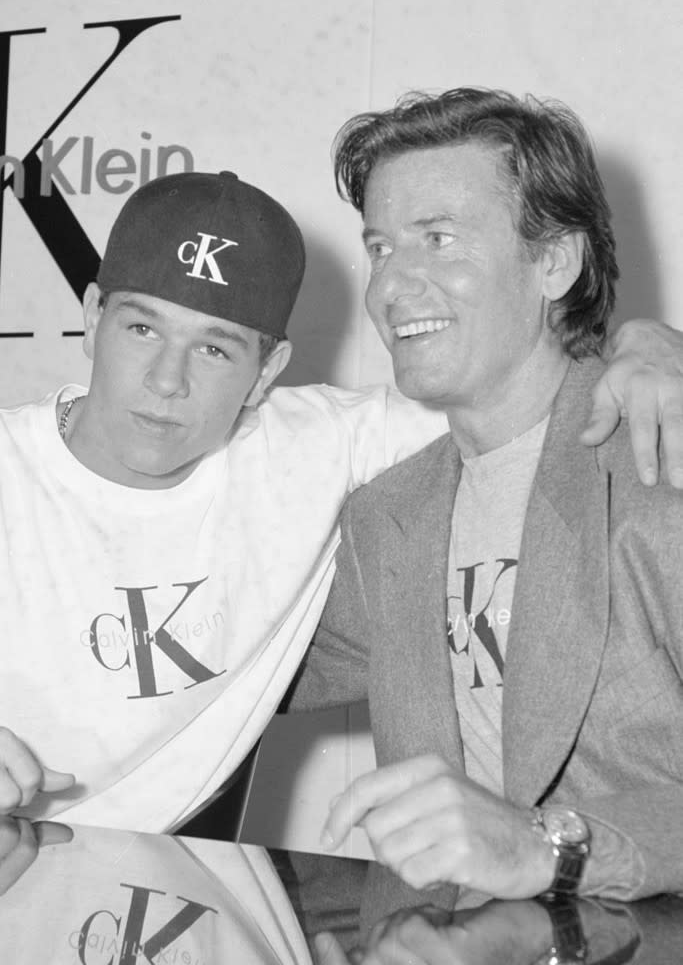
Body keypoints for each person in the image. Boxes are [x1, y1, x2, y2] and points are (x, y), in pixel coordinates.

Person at [0, 166, 680, 833]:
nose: (165, 380)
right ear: (92, 317)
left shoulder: (313, 445)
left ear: (266, 373)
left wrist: (643, 344)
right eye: (142, 329)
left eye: (213, 348)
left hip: (156, 889)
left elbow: (525, 387)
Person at [285, 88, 683, 965]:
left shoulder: (662, 467)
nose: (391, 285)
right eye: (381, 246)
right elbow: (222, 674)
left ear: (553, 261)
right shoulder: (389, 514)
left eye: (439, 238)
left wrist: (547, 845)